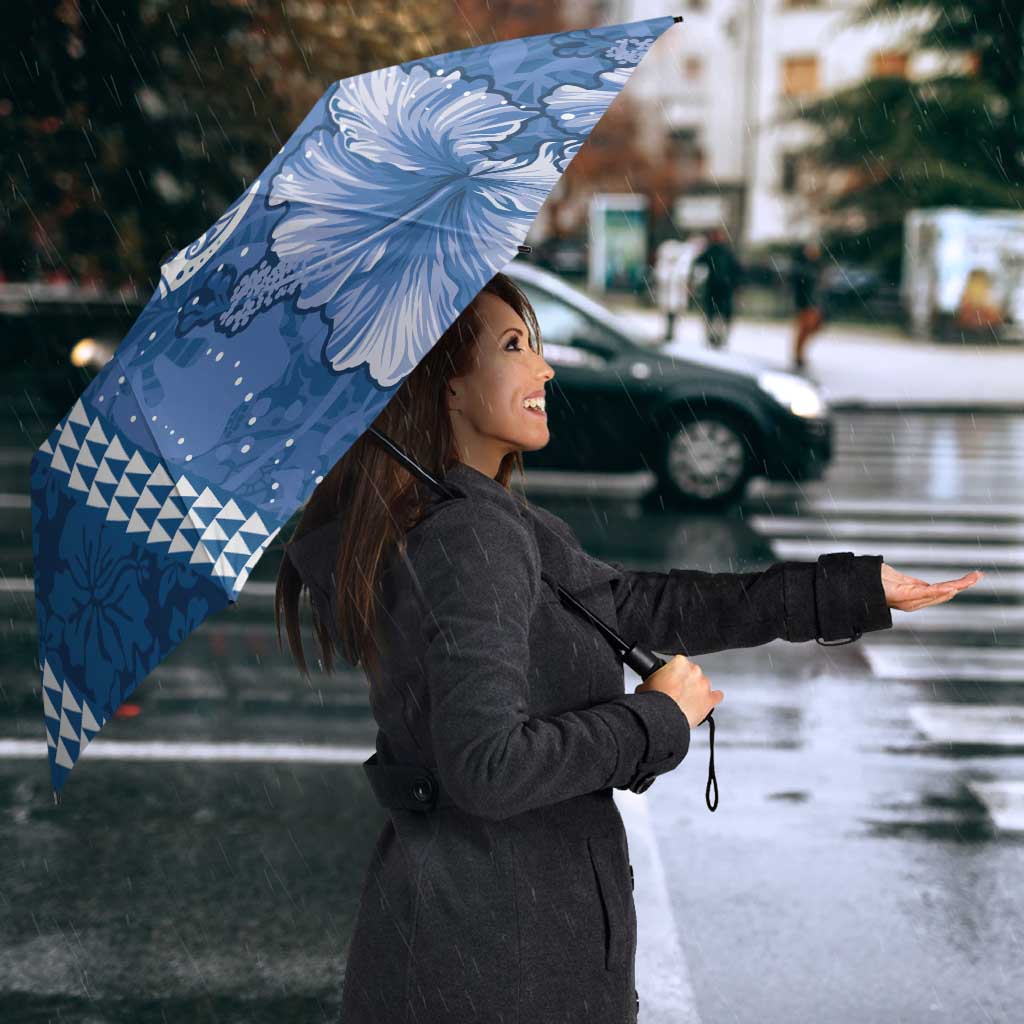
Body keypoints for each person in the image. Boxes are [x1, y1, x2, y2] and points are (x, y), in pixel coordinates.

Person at [275, 271, 980, 1024]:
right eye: (514, 346)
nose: (544, 368)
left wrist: (850, 590)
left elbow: (640, 605)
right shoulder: (470, 536)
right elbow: (487, 767)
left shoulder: (476, 518)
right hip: (499, 962)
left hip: (480, 941)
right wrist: (655, 719)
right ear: (444, 385)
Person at [692, 226, 742, 349]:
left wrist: (735, 284)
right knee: (713, 314)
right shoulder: (712, 251)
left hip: (723, 288)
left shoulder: (725, 252)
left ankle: (719, 337)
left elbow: (736, 270)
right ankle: (713, 337)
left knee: (720, 315)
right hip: (715, 288)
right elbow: (698, 264)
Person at [790, 239, 826, 370]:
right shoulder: (802, 267)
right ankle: (798, 355)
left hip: (814, 303)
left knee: (812, 328)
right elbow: (799, 286)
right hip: (805, 303)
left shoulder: (817, 266)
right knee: (804, 329)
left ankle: (799, 354)